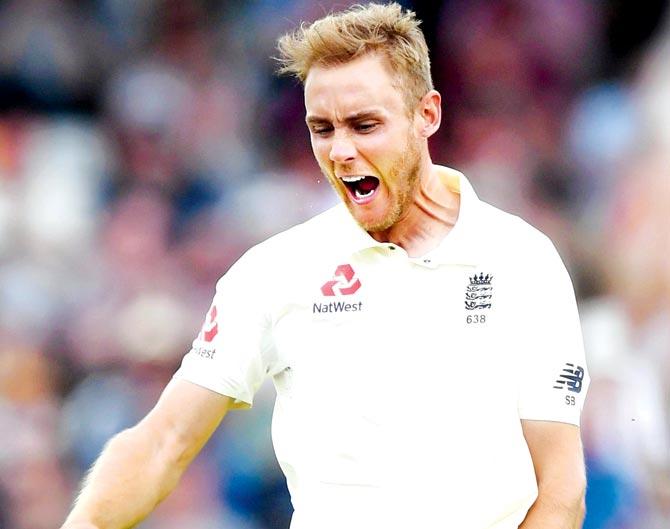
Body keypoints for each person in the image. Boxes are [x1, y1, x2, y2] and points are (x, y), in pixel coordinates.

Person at [60, 3, 589, 529]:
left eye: (364, 125)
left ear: (427, 114)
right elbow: (162, 444)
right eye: (322, 128)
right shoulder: (273, 271)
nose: (340, 151)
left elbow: (560, 489)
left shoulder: (523, 260)